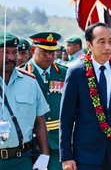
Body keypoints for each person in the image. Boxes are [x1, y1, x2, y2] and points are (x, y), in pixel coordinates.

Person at [60, 23, 111, 170]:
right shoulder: (76, 73)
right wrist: (66, 156)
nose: (108, 47)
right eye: (101, 41)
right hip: (86, 153)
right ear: (89, 45)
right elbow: (66, 117)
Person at [0, 32, 50, 170]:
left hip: (21, 159)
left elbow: (40, 120)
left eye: (14, 52)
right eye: (5, 52)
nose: (11, 57)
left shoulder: (30, 81)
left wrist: (44, 155)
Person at [19, 32, 67, 170]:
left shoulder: (64, 73)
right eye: (44, 52)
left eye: (52, 52)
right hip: (31, 141)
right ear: (33, 50)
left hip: (57, 140)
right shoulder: (21, 75)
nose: (49, 56)